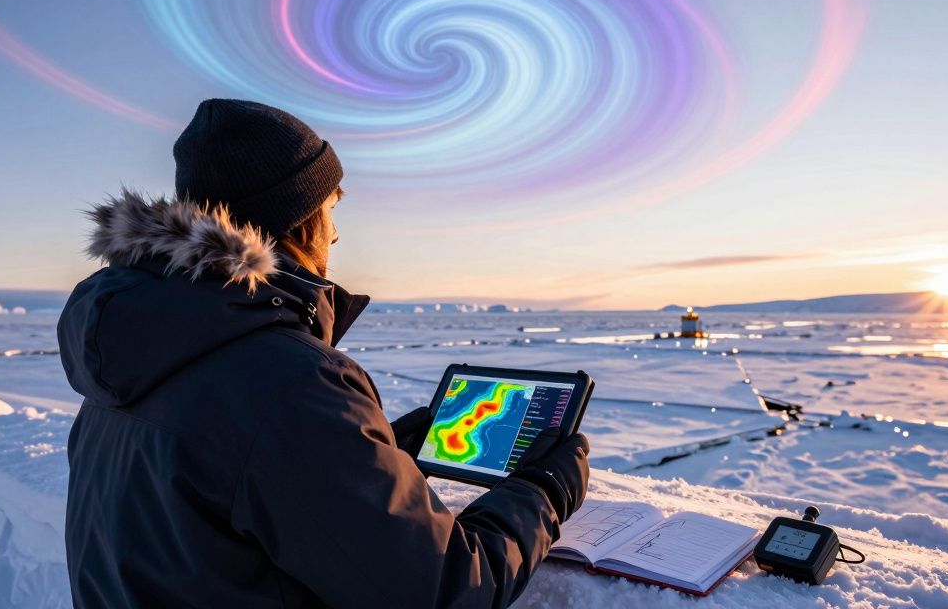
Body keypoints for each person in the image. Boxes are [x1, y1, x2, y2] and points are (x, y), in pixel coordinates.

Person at [58, 99, 590, 608]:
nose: (336, 234)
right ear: (299, 218)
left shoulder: (132, 351)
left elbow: (228, 487)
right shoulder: (289, 383)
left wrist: (368, 461)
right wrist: (542, 490)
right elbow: (446, 587)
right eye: (332, 207)